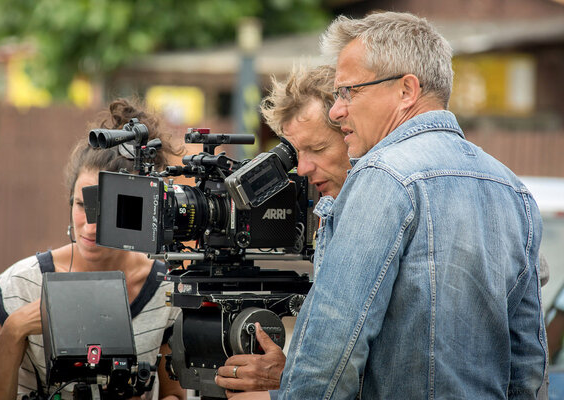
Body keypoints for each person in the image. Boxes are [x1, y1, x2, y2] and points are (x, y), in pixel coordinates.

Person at [270, 12, 545, 399]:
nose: (337, 110)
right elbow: (528, 368)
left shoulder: (383, 175)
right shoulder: (512, 189)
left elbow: (331, 356)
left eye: (349, 91)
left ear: (406, 90)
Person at [0, 98, 186, 400]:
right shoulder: (23, 285)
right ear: (69, 200)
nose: (90, 225)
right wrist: (15, 328)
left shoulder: (166, 290)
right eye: (82, 205)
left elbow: (173, 393)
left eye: (106, 211)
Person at [215, 65, 352, 397]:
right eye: (296, 153)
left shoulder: (374, 217)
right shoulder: (333, 212)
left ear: (352, 131)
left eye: (317, 149)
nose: (302, 169)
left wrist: (287, 381)